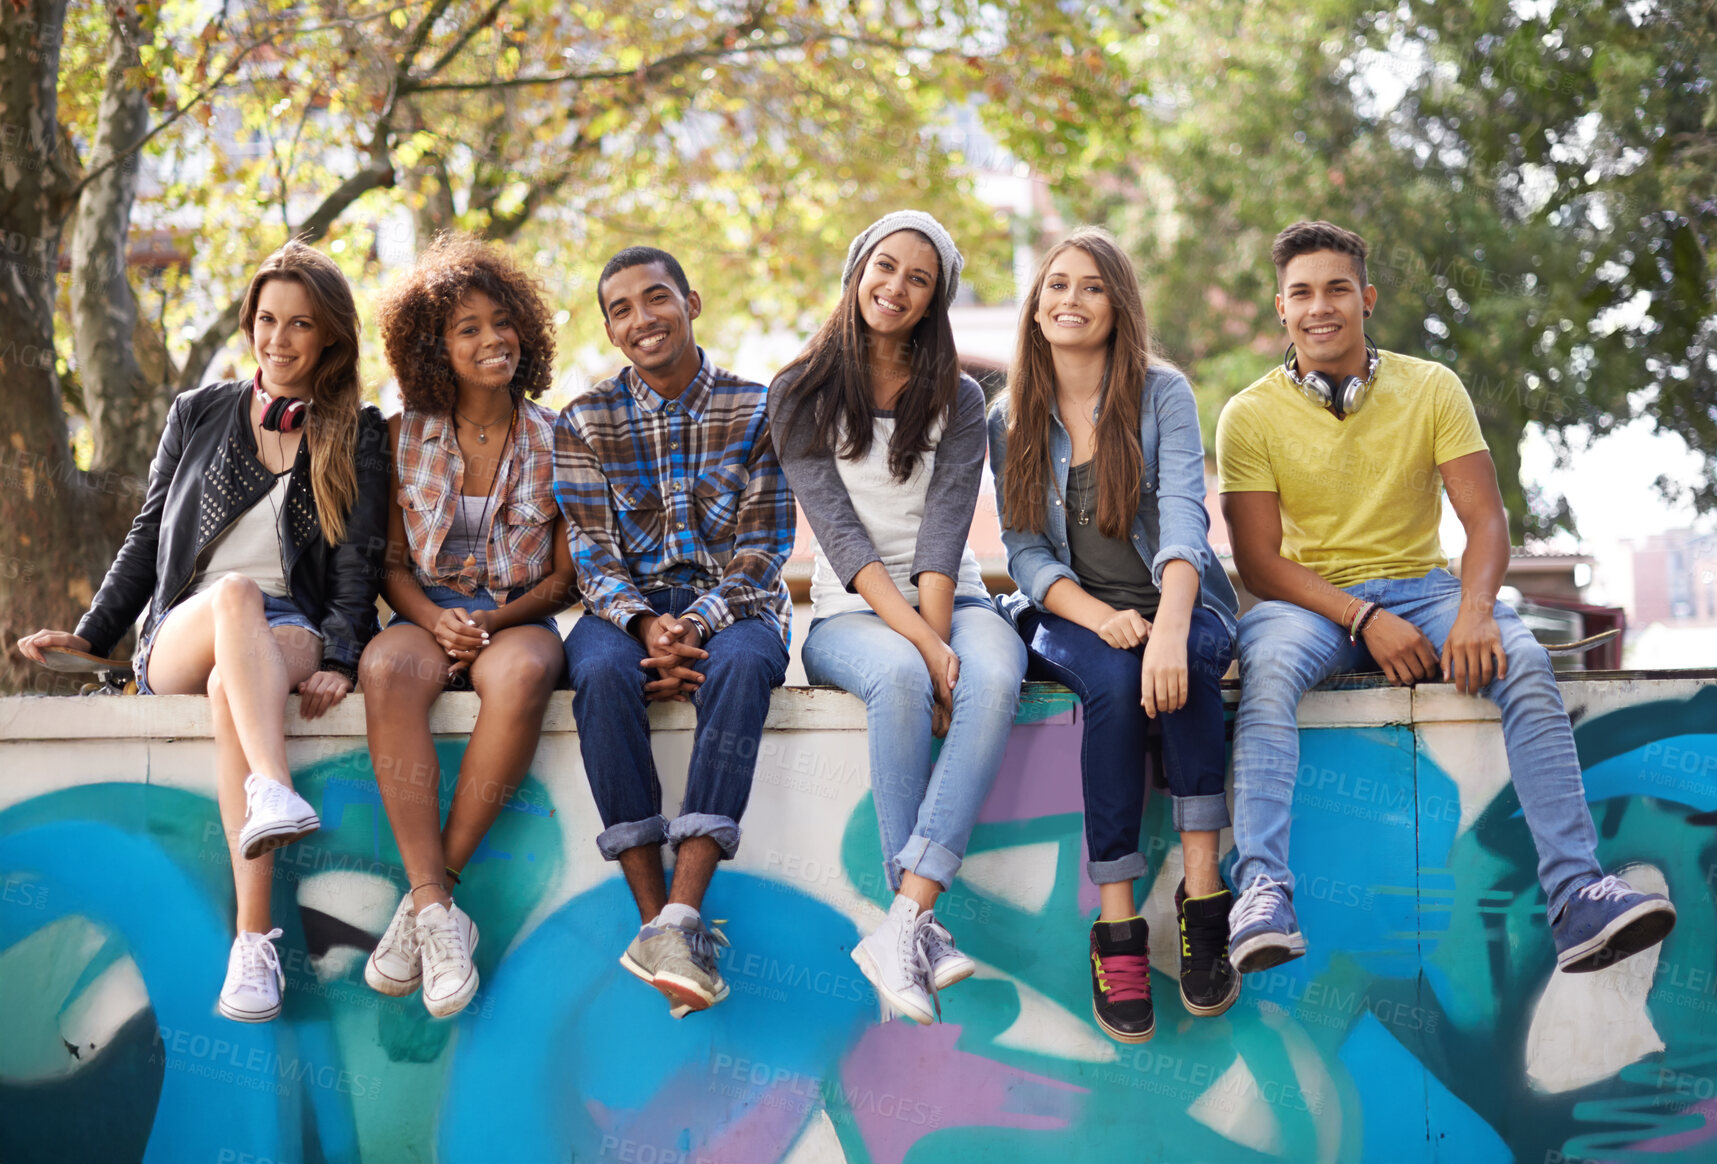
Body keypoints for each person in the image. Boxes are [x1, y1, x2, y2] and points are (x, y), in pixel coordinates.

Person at [1216, 219, 1675, 977]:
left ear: (1365, 298)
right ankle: (1261, 892)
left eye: (1335, 288)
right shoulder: (1248, 414)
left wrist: (1470, 610)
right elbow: (1259, 565)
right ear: (1280, 309)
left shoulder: (1430, 387)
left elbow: (1484, 519)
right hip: (1307, 603)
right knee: (1264, 677)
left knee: (1522, 661)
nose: (1318, 306)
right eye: (1301, 293)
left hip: (1424, 586)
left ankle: (1577, 895)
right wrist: (1364, 619)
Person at [18, 241, 389, 1022]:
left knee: (236, 686)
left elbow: (358, 562)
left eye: (299, 325)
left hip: (285, 633)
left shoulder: (355, 432)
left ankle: (252, 950)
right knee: (236, 597)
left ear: (329, 337)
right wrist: (91, 638)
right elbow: (146, 539)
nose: (277, 339)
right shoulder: (200, 411)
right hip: (187, 625)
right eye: (265, 320)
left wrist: (345, 658)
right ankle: (273, 788)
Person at [769, 211, 1027, 1024]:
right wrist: (921, 643)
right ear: (857, 271)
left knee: (996, 673)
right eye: (885, 267)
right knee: (904, 679)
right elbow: (841, 544)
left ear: (934, 300)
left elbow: (946, 536)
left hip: (952, 596)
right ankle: (915, 925)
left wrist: (942, 635)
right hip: (851, 612)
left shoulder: (956, 397)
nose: (896, 288)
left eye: (918, 279)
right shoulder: (798, 391)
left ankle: (906, 918)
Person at [990, 226, 1241, 1045]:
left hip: (1175, 599)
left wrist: (1169, 630)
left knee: (1193, 669)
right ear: (1034, 308)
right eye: (1055, 285)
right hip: (1074, 614)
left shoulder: (1161, 392)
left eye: (1091, 287)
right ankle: (1116, 926)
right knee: (1107, 686)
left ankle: (1204, 897)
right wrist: (1100, 619)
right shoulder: (1010, 416)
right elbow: (1023, 550)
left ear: (1118, 306)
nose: (1070, 299)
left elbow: (1182, 522)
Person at [554, 246, 794, 1017]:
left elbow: (764, 548)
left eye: (654, 299)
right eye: (619, 310)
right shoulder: (584, 420)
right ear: (609, 330)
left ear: (691, 303)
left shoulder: (759, 409)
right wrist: (645, 623)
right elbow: (588, 554)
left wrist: (692, 622)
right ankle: (658, 930)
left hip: (732, 607)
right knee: (594, 674)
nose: (640, 319)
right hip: (623, 611)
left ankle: (680, 916)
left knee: (743, 666)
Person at [358, 235, 576, 1018]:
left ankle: (430, 906)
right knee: (384, 669)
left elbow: (564, 577)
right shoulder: (397, 435)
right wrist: (434, 619)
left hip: (517, 616)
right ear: (433, 349)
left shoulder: (559, 440)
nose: (492, 339)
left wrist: (491, 619)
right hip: (424, 611)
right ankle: (433, 907)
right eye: (467, 328)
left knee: (522, 674)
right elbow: (386, 561)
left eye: (501, 321)